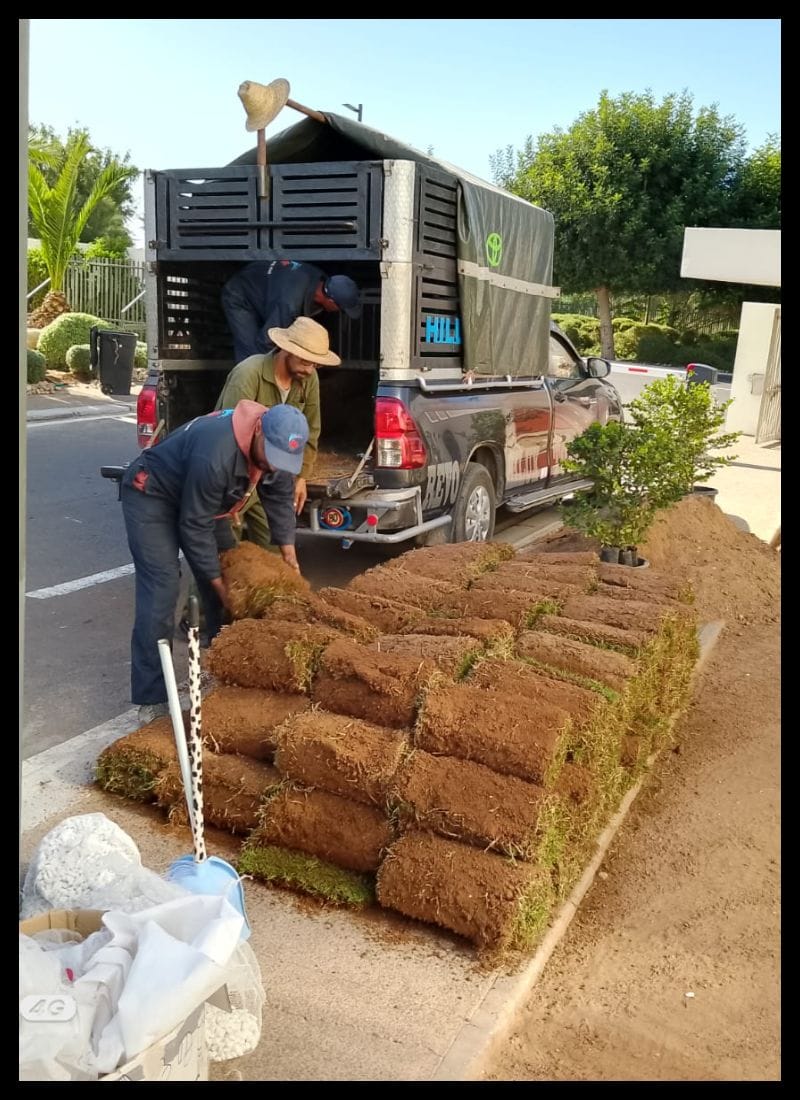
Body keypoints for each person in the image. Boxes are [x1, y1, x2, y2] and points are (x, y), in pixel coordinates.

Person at [121, 400, 309, 725]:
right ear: (259, 430)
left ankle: (225, 664)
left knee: (234, 574)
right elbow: (194, 526)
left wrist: (289, 555)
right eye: (271, 456)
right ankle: (151, 698)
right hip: (154, 494)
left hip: (205, 503)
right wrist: (222, 589)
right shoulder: (216, 453)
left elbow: (279, 497)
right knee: (163, 587)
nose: (273, 465)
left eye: (282, 460)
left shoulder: (276, 450)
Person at [215, 316, 340, 540]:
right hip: (238, 473)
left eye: (315, 364)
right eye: (305, 362)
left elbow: (311, 429)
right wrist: (237, 496)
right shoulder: (248, 374)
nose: (310, 370)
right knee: (227, 546)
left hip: (272, 473)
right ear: (287, 350)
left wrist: (301, 477)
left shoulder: (309, 378)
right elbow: (229, 436)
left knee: (276, 544)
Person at [220, 258, 361, 365]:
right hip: (240, 296)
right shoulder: (290, 304)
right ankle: (247, 393)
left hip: (264, 293)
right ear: (330, 301)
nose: (338, 312)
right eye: (340, 309)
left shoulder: (320, 278)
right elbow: (267, 340)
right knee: (252, 357)